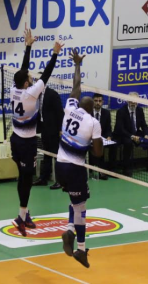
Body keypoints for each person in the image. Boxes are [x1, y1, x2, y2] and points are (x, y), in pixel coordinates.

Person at [10, 28, 63, 237]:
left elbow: (23, 70)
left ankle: (24, 213)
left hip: (16, 140)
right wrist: (55, 53)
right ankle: (21, 216)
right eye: (30, 79)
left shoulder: (15, 89)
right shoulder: (31, 94)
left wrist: (28, 46)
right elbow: (47, 74)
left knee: (24, 177)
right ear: (26, 84)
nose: (32, 79)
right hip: (26, 143)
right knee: (26, 178)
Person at [59, 49, 103, 268]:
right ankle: (82, 249)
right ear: (91, 109)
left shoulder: (70, 108)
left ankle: (69, 230)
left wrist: (77, 65)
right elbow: (98, 153)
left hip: (60, 165)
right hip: (75, 168)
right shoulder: (93, 123)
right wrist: (98, 138)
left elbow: (75, 88)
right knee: (81, 206)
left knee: (74, 201)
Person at [112, 92, 148, 177]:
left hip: (136, 132)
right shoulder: (121, 111)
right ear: (127, 101)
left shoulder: (139, 110)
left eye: (135, 101)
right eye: (132, 101)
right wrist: (132, 136)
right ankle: (126, 168)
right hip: (124, 134)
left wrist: (146, 134)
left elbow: (144, 125)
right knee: (128, 143)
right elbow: (120, 128)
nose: (133, 103)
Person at [34, 85, 64, 189]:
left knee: (56, 155)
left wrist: (60, 129)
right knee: (46, 153)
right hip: (44, 129)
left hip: (54, 129)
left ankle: (60, 181)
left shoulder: (52, 94)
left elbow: (60, 112)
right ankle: (43, 179)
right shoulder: (36, 95)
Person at [88, 93, 112, 180]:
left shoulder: (106, 113)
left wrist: (109, 136)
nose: (98, 103)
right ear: (92, 102)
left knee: (103, 146)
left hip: (102, 138)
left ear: (103, 102)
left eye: (100, 101)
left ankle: (103, 171)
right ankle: (91, 170)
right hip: (89, 137)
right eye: (96, 101)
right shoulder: (88, 112)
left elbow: (109, 128)